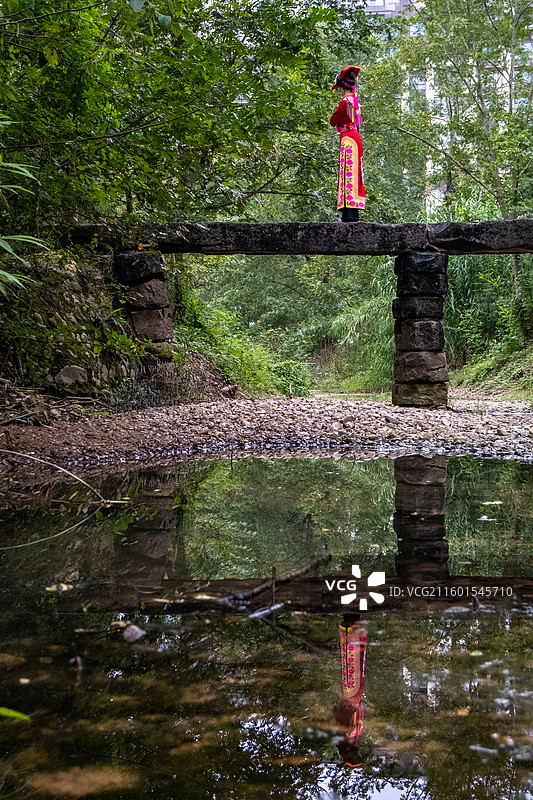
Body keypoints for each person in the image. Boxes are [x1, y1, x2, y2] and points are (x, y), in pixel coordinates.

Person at [330, 66, 366, 222]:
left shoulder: (345, 102)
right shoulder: (356, 102)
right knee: (355, 172)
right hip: (356, 137)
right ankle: (354, 210)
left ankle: (348, 212)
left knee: (347, 173)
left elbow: (333, 120)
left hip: (348, 138)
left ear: (343, 87)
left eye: (340, 88)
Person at [332, 614, 367, 768]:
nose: (358, 754)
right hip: (351, 697)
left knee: (353, 662)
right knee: (353, 663)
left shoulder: (348, 735)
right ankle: (349, 628)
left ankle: (351, 628)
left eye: (356, 756)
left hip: (351, 697)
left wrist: (358, 722)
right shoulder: (350, 737)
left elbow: (351, 717)